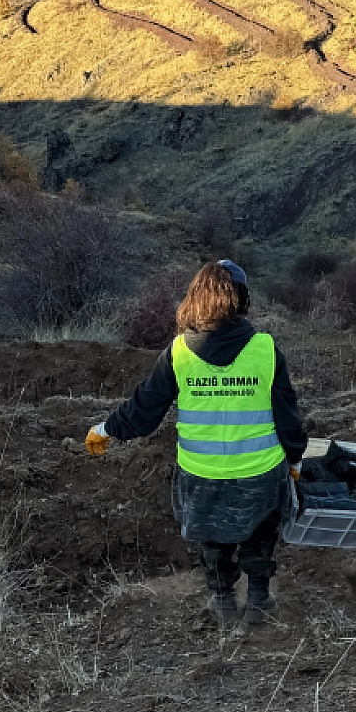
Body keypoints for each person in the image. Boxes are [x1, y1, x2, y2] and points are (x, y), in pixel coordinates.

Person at [86, 261, 307, 624]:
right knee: (259, 533)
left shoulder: (179, 352)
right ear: (240, 298)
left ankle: (222, 602)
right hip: (259, 470)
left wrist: (106, 429)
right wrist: (295, 459)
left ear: (196, 299)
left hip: (200, 473)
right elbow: (287, 414)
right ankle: (258, 601)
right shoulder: (265, 348)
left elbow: (145, 408)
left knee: (211, 537)